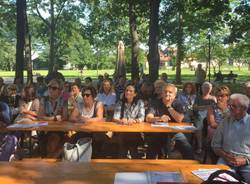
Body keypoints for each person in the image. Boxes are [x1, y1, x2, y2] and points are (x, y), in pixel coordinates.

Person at [146, 83, 194, 159]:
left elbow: (179, 119)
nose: (167, 94)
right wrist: (159, 118)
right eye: (165, 92)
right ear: (162, 93)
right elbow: (148, 118)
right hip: (158, 131)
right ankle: (148, 167)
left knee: (187, 148)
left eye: (170, 92)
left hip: (174, 132)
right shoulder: (155, 102)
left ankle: (191, 166)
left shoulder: (178, 103)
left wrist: (169, 107)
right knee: (151, 147)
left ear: (175, 95)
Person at [211, 94, 250, 183]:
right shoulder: (225, 122)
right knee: (218, 180)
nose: (229, 108)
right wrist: (225, 156)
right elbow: (215, 145)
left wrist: (245, 160)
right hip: (226, 160)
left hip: (247, 162)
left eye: (233, 106)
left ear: (243, 108)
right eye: (229, 105)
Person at [113, 84, 145, 158]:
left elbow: (142, 117)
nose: (128, 92)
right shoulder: (120, 103)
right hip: (123, 131)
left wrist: (134, 120)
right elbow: (115, 118)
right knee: (123, 142)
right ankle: (123, 162)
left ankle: (132, 161)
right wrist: (121, 120)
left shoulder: (140, 102)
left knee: (132, 142)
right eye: (126, 90)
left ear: (135, 94)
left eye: (131, 91)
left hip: (135, 131)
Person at [38, 79, 68, 158]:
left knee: (53, 141)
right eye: (49, 87)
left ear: (59, 90)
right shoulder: (43, 99)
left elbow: (64, 116)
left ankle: (49, 163)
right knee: (48, 142)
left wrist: (46, 118)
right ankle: (49, 162)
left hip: (58, 130)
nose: (51, 90)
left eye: (54, 88)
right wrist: (54, 118)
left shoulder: (63, 99)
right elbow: (40, 116)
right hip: (45, 129)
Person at [206, 85, 230, 163]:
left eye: (222, 96)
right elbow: (212, 123)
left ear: (228, 97)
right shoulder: (212, 107)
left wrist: (223, 110)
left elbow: (234, 122)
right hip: (216, 130)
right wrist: (224, 128)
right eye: (218, 96)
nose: (219, 98)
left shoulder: (232, 108)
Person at [193, 82, 216, 154]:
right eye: (205, 88)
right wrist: (207, 107)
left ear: (211, 89)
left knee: (211, 126)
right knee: (198, 127)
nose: (206, 89)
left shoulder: (213, 98)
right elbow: (195, 108)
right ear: (201, 89)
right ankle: (200, 146)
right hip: (199, 115)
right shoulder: (198, 97)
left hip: (211, 115)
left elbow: (215, 108)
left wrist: (201, 107)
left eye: (208, 88)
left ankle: (210, 146)